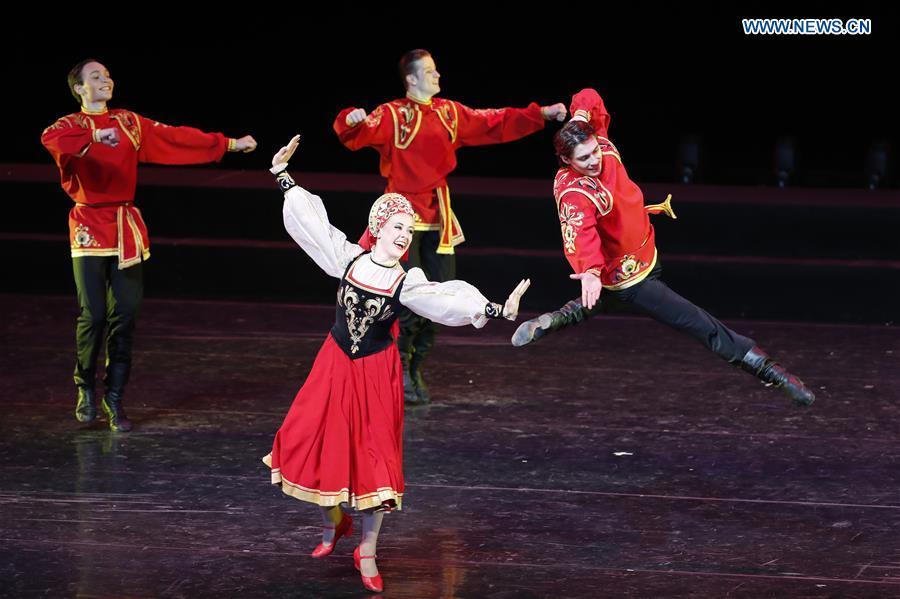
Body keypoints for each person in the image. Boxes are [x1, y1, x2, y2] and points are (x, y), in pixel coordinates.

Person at [263, 135, 530, 592]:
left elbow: (446, 300)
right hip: (333, 367)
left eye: (410, 229)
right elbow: (312, 224)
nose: (406, 234)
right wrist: (282, 174)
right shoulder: (348, 260)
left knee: (375, 462)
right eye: (399, 226)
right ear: (379, 227)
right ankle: (334, 523)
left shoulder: (406, 282)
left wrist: (493, 309)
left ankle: (367, 551)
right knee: (316, 446)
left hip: (374, 374)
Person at [512, 88, 815, 406]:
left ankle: (560, 318)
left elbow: (588, 95)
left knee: (608, 299)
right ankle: (773, 372)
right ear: (566, 160)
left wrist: (579, 115)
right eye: (584, 158)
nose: (594, 161)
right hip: (630, 276)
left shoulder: (598, 141)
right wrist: (588, 271)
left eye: (594, 152)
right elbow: (580, 232)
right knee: (700, 323)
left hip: (641, 255)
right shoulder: (575, 192)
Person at [334, 48, 563, 405]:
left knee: (441, 294)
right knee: (404, 297)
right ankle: (398, 368)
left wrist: (541, 114)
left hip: (437, 217)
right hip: (402, 217)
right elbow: (356, 134)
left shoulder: (448, 113)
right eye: (429, 71)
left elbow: (494, 122)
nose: (437, 75)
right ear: (412, 79)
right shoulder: (394, 114)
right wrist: (351, 119)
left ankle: (415, 368)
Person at [41, 59, 257, 431]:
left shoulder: (128, 122)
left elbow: (174, 138)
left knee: (124, 318)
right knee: (93, 315)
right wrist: (94, 138)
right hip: (89, 227)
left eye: (107, 75)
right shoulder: (69, 125)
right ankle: (85, 386)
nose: (105, 80)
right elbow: (51, 141)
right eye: (95, 76)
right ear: (79, 88)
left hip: (125, 227)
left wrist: (228, 144)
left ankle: (114, 397)